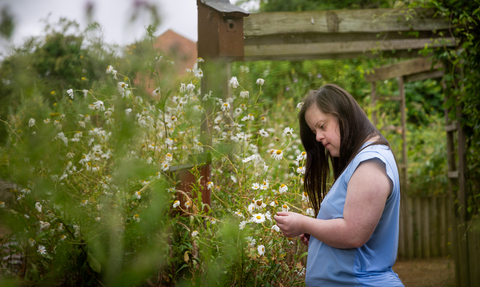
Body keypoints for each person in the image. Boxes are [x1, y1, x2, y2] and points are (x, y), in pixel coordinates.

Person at [274, 84, 404, 286]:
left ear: (342, 116)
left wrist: (304, 223)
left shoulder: (370, 164)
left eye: (322, 126)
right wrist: (318, 234)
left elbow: (353, 234)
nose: (317, 137)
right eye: (314, 130)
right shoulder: (360, 161)